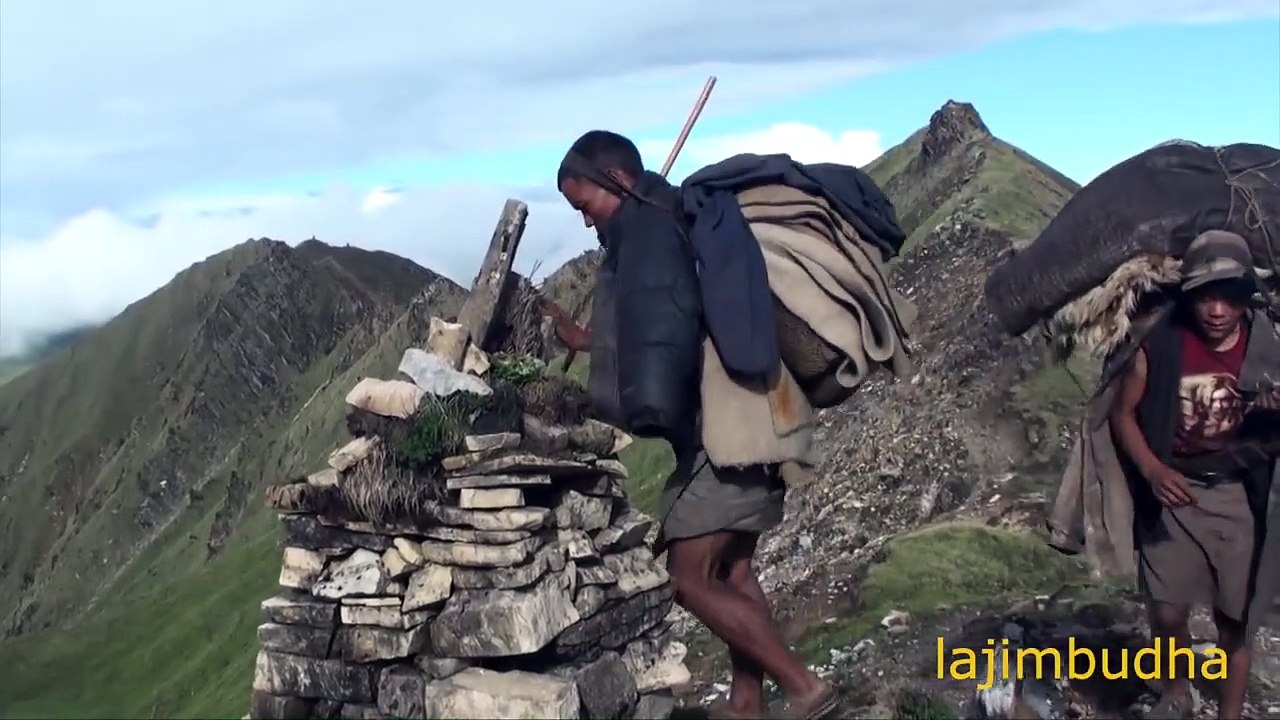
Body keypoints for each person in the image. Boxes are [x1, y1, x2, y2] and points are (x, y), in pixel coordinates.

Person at [547, 130, 838, 720]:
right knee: (732, 569)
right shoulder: (670, 220)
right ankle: (747, 704)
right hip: (764, 412)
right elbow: (674, 316)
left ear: (617, 180)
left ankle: (804, 687)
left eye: (585, 205)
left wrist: (645, 411)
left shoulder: (651, 234)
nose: (585, 221)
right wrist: (586, 340)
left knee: (687, 576)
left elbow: (665, 336)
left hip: (729, 429)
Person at [1108, 230, 1279, 719]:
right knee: (1167, 611)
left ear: (1246, 296)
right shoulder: (1161, 343)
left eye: (1230, 297)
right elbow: (1122, 414)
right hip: (1175, 491)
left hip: (1238, 495)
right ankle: (1175, 690)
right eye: (1206, 296)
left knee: (1235, 622)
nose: (1218, 311)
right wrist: (1152, 469)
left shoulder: (1268, 346)